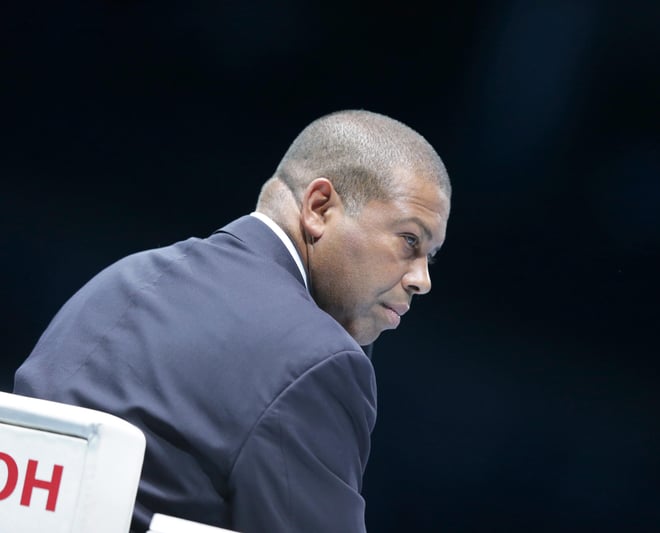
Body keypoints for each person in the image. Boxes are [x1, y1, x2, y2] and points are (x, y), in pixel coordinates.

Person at [14, 110, 451, 532]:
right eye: (409, 240)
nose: (423, 280)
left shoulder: (118, 279)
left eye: (430, 256)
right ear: (319, 207)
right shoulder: (319, 360)